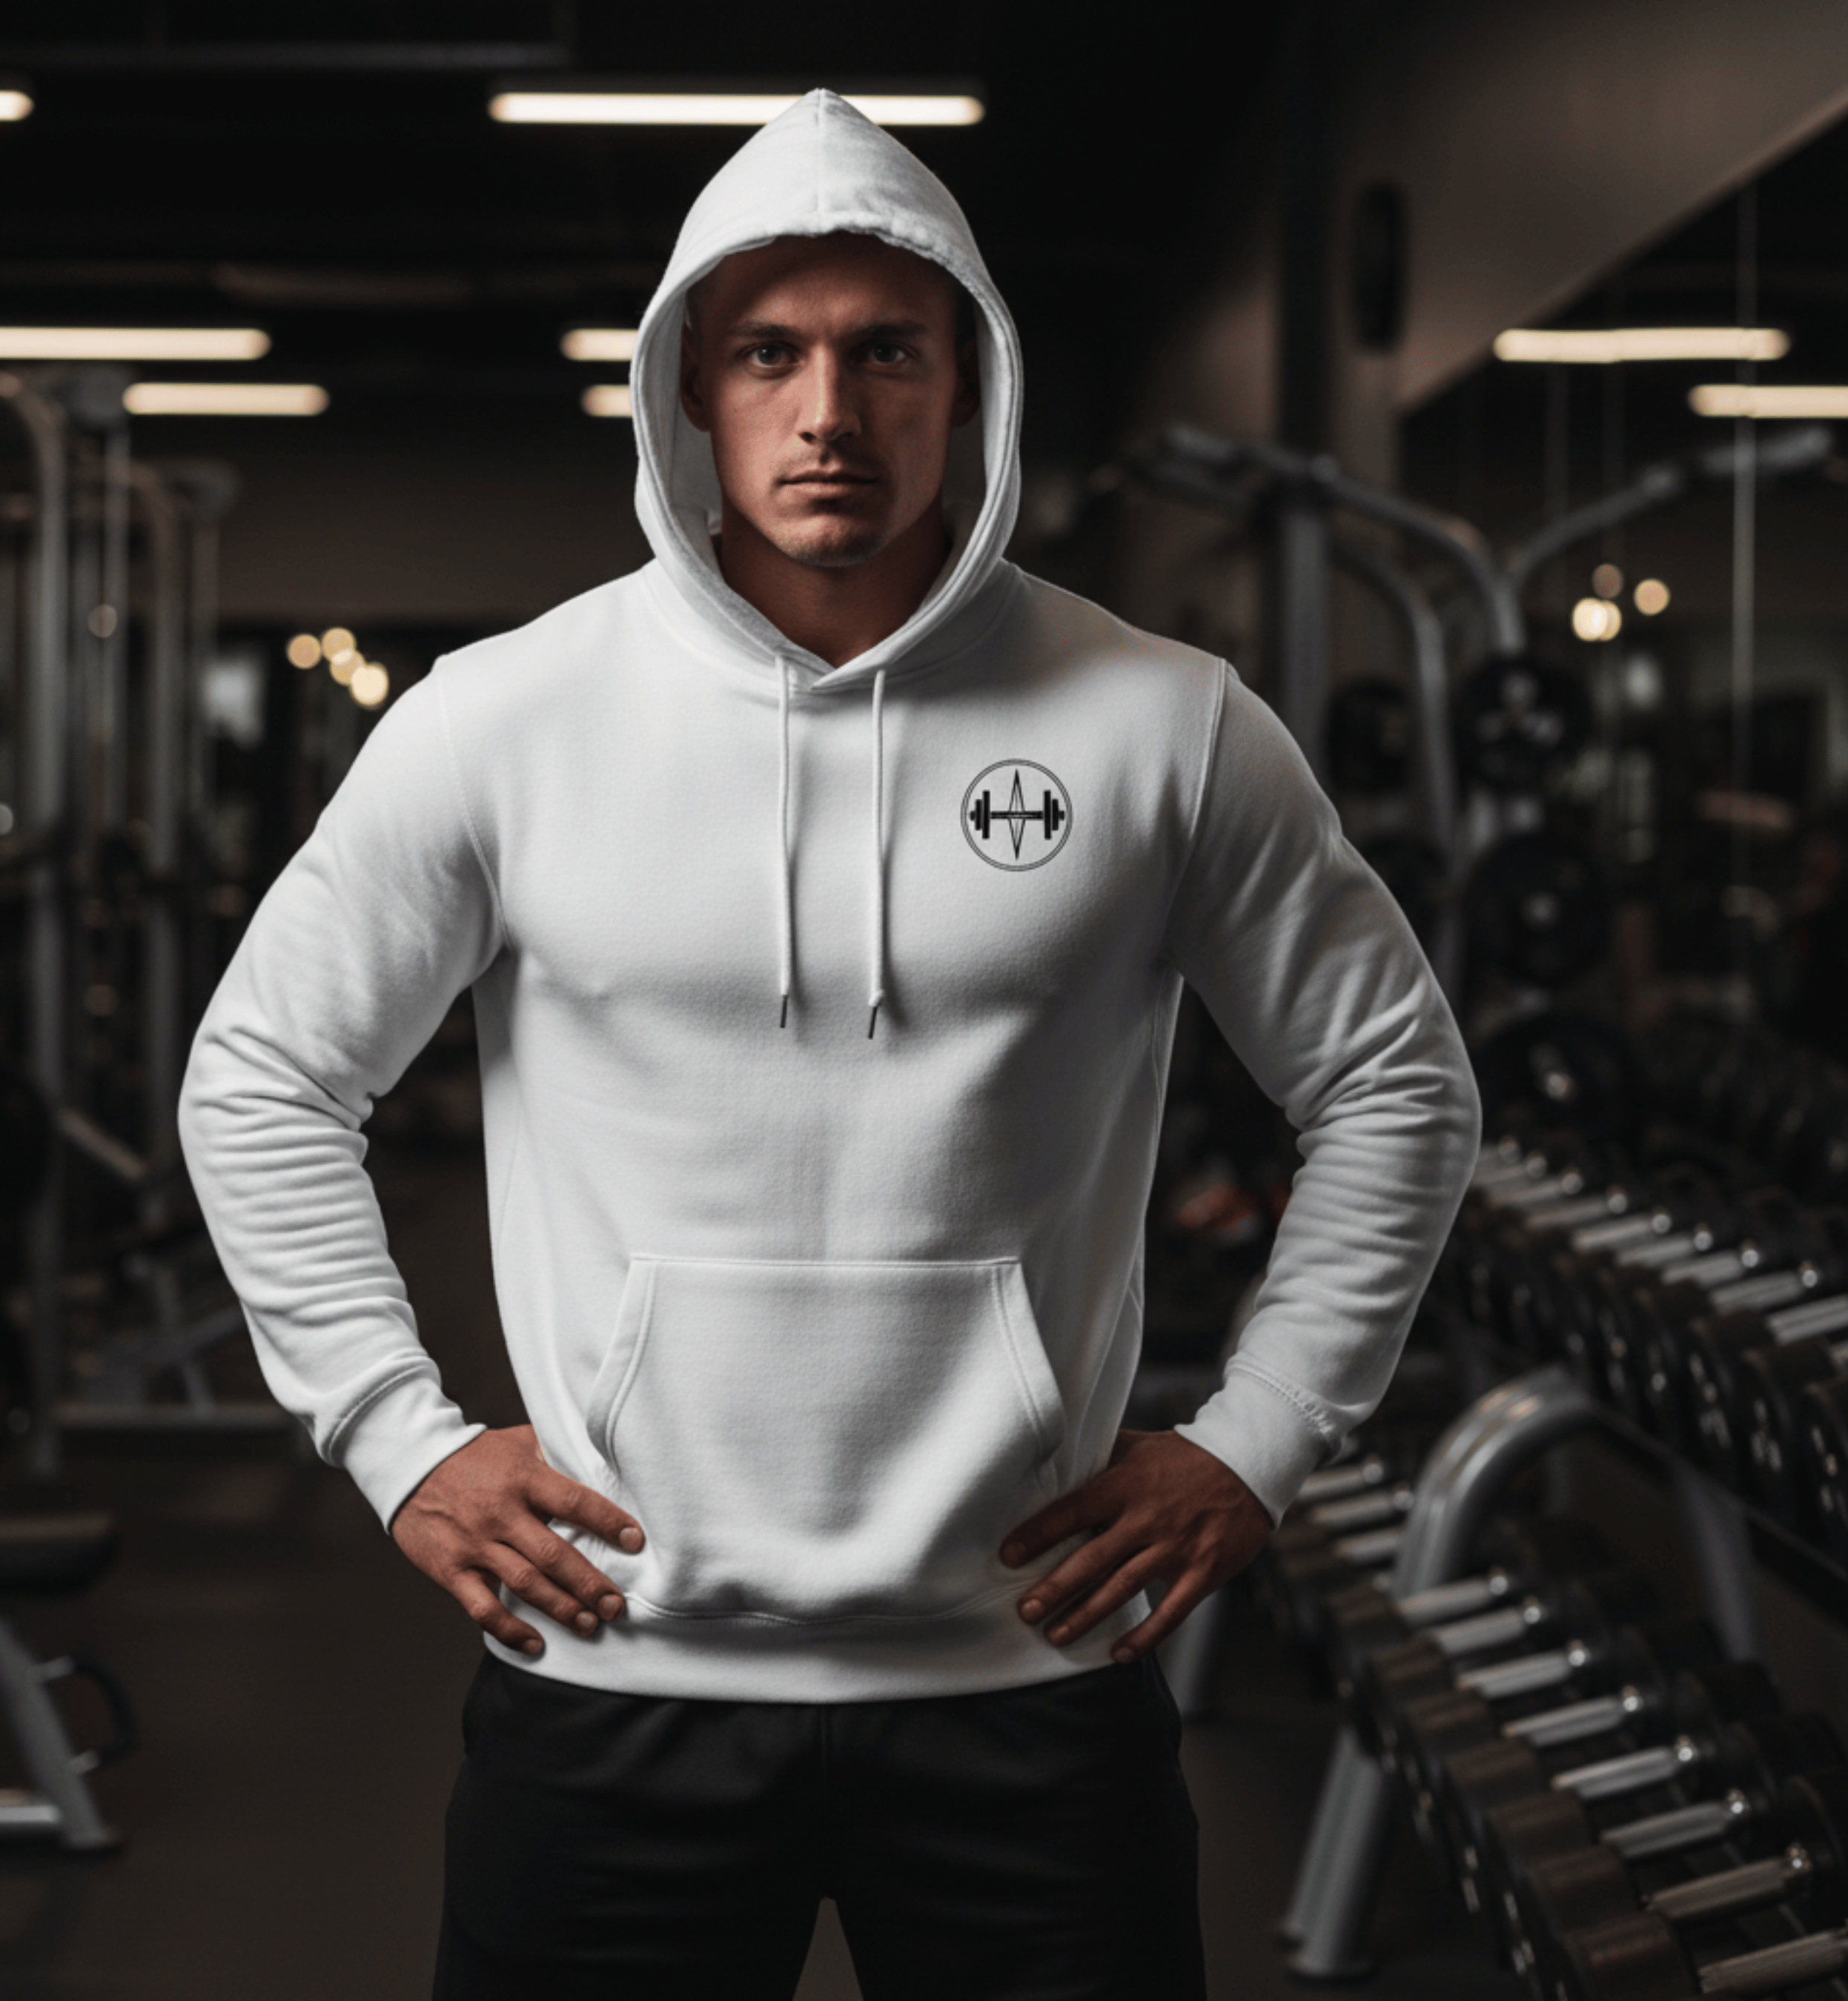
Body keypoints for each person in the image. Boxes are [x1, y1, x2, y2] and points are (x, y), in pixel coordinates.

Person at [179, 90, 1480, 1999]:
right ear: (686, 389)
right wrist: (396, 1433)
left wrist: (1260, 1438)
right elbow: (266, 1076)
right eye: (768, 354)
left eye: (888, 353)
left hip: (1030, 1674)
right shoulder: (501, 723)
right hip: (613, 1668)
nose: (828, 414)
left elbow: (1394, 1084)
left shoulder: (1165, 725)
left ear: (972, 386)